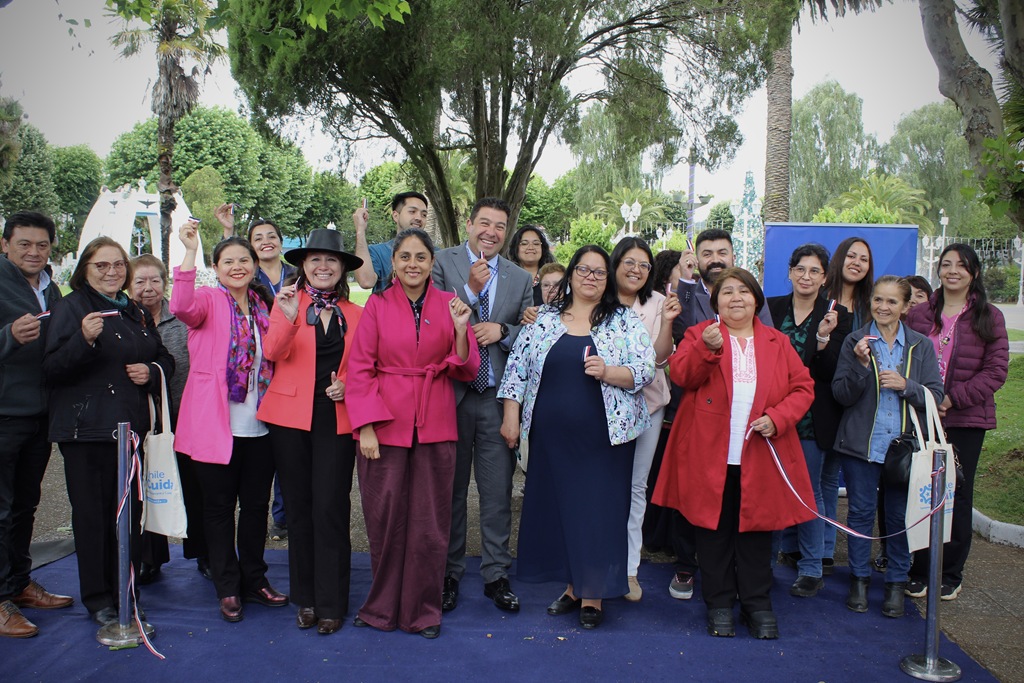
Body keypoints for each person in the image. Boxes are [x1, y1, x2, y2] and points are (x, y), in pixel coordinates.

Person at [653, 267, 815, 639]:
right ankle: (720, 603)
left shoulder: (777, 341)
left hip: (760, 454)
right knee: (713, 533)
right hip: (710, 455)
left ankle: (757, 604)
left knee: (756, 533)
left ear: (756, 300)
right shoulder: (700, 334)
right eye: (727, 292)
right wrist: (707, 349)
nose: (735, 298)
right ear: (716, 303)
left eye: (743, 291)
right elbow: (682, 376)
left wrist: (778, 418)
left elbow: (803, 388)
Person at [499, 245, 654, 629]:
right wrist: (511, 418)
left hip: (606, 439)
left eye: (599, 272)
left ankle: (593, 594)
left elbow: (645, 369)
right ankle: (572, 587)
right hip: (552, 439)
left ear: (608, 279)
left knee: (597, 513)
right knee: (561, 510)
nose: (591, 277)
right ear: (570, 274)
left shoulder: (624, 320)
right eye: (583, 270)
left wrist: (608, 371)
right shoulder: (543, 318)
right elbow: (516, 369)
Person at [347, 229, 479, 639]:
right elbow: (360, 368)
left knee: (430, 521)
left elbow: (467, 368)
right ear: (394, 262)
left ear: (432, 262)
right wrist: (365, 426)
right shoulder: (377, 305)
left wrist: (462, 329)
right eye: (404, 256)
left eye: (421, 257)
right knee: (384, 517)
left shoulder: (450, 304)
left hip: (435, 420)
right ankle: (381, 607)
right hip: (384, 424)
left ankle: (423, 610)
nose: (412, 264)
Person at [43, 236, 174, 626]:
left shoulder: (134, 311)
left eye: (118, 265)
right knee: (93, 518)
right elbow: (51, 370)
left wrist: (151, 371)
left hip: (128, 431)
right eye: (102, 265)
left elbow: (162, 356)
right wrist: (83, 340)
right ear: (85, 269)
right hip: (86, 432)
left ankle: (126, 593)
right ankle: (98, 598)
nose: (112, 272)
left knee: (128, 517)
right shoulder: (71, 308)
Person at [171, 224, 288, 623]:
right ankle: (227, 586)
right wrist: (189, 252)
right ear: (216, 267)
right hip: (215, 425)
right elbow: (180, 306)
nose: (237, 267)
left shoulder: (264, 305)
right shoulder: (207, 300)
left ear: (255, 265)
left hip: (261, 425)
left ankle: (254, 578)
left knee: (255, 507)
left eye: (244, 260)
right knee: (219, 509)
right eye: (228, 262)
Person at [257, 229, 364, 635]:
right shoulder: (287, 302)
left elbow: (366, 364)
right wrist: (286, 318)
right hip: (290, 419)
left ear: (342, 269)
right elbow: (273, 353)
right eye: (315, 259)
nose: (323, 266)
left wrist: (348, 385)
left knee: (331, 507)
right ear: (303, 265)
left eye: (331, 260)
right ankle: (306, 599)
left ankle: (332, 602)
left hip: (336, 418)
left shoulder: (356, 314)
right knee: (299, 509)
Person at [432, 197, 534, 615]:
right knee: (451, 491)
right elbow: (432, 321)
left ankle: (496, 574)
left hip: (496, 399)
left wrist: (503, 331)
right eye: (485, 223)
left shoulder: (519, 277)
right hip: (452, 397)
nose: (491, 232)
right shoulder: (442, 262)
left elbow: (530, 332)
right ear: (469, 224)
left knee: (496, 494)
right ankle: (449, 573)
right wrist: (471, 291)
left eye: (500, 226)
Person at [666, 229, 773, 601]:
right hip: (697, 418)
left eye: (721, 252)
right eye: (707, 252)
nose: (714, 259)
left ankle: (746, 584)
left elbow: (777, 359)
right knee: (694, 501)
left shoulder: (754, 301)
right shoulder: (689, 297)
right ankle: (690, 569)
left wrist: (776, 415)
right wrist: (684, 284)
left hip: (747, 427)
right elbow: (679, 352)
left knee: (738, 507)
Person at [832, 275, 944, 618]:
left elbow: (935, 395)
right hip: (861, 445)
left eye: (892, 301)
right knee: (861, 513)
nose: (883, 307)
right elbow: (841, 394)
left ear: (906, 307)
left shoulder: (920, 346)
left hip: (905, 449)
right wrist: (861, 366)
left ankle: (896, 582)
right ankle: (859, 580)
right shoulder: (855, 340)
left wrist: (906, 385)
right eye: (878, 299)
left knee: (898, 518)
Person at [905, 244, 1008, 600]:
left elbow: (996, 371)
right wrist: (923, 398)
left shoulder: (989, 316)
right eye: (946, 264)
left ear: (973, 272)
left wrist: (952, 399)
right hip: (922, 416)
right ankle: (920, 569)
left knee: (957, 493)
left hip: (965, 419)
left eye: (961, 265)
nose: (952, 271)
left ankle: (950, 572)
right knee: (922, 490)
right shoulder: (920, 314)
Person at [0, 211, 73, 638]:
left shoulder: (51, 288)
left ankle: (19, 583)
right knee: (1, 509)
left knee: (25, 504)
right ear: (5, 244)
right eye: (24, 244)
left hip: (41, 415)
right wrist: (9, 335)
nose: (33, 252)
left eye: (41, 245)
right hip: (5, 414)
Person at [767, 244, 851, 597]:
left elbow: (832, 370)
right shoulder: (770, 307)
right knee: (771, 488)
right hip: (772, 414)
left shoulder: (837, 314)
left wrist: (823, 338)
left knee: (808, 490)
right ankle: (765, 564)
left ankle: (812, 567)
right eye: (800, 269)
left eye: (814, 271)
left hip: (813, 416)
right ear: (790, 272)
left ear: (825, 277)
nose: (806, 276)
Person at [130, 254, 209, 583]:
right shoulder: (124, 320)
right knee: (149, 486)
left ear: (165, 283)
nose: (148, 288)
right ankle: (150, 558)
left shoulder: (182, 317)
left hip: (186, 413)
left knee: (196, 486)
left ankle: (203, 553)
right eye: (140, 281)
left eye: (155, 280)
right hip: (143, 416)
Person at [609, 237, 678, 601]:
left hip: (649, 405)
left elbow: (660, 360)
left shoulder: (658, 303)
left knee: (637, 487)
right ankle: (596, 563)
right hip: (602, 406)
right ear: (615, 263)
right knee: (602, 485)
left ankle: (630, 570)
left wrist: (666, 323)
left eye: (643, 265)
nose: (636, 270)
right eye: (629, 262)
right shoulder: (599, 299)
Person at [821, 235, 875, 570]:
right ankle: (810, 547)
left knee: (833, 479)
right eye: (852, 256)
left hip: (857, 402)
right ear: (840, 259)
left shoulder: (872, 306)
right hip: (821, 399)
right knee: (817, 476)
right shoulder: (820, 299)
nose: (856, 263)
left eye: (864, 259)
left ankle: (826, 548)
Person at [351, 191, 429, 294]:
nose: (419, 218)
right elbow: (366, 282)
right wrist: (360, 230)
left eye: (424, 214)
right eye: (412, 211)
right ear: (396, 216)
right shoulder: (378, 252)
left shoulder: (435, 254)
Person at [507, 224, 555, 304]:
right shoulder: (506, 277)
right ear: (516, 248)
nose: (531, 247)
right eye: (524, 243)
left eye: (536, 244)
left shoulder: (553, 277)